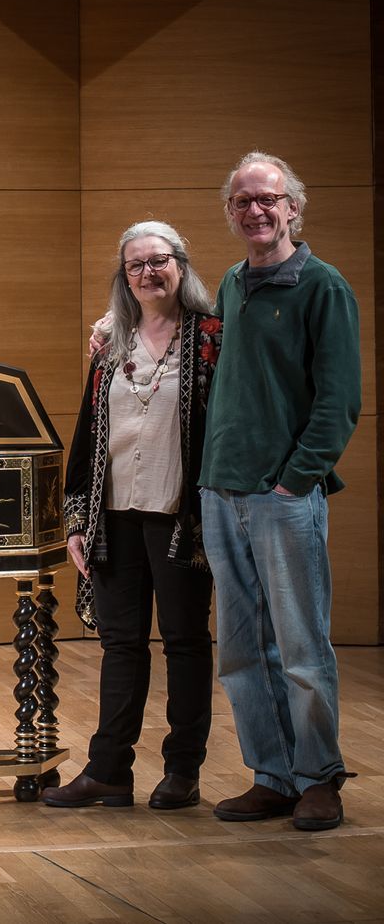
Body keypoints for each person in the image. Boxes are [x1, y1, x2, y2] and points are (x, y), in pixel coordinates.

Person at [198, 152, 360, 831]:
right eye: (243, 201)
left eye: (268, 199)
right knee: (239, 650)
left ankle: (319, 776)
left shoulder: (323, 286)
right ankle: (271, 775)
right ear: (232, 212)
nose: (255, 211)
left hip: (283, 497)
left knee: (300, 646)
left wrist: (297, 481)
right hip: (222, 492)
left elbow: (338, 400)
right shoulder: (234, 284)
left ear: (294, 206)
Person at [45, 222, 218, 811]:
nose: (148, 272)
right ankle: (109, 771)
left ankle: (182, 771)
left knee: (186, 642)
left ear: (181, 266)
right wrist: (77, 520)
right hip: (113, 516)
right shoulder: (111, 344)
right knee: (121, 645)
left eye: (159, 260)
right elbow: (87, 435)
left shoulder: (214, 337)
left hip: (180, 517)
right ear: (125, 278)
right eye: (136, 264)